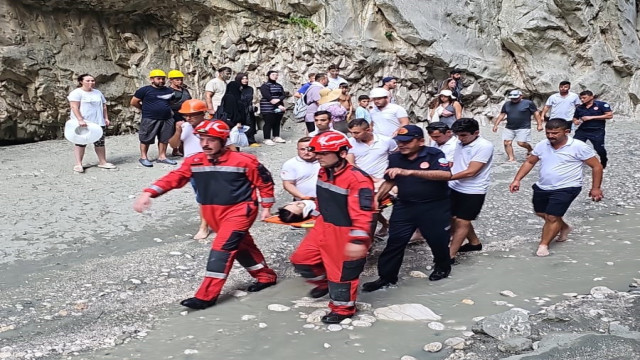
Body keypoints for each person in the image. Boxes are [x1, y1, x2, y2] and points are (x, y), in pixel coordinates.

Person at [134, 120, 278, 309]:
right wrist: (149, 192)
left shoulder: (244, 161)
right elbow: (175, 178)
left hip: (240, 211)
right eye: (202, 139)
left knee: (222, 249)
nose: (205, 144)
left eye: (211, 140)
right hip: (213, 213)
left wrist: (266, 206)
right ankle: (265, 276)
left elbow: (264, 181)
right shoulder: (195, 161)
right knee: (242, 246)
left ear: (224, 140)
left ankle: (206, 296)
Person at [290, 131, 375, 324]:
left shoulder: (358, 179)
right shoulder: (324, 170)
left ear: (342, 153)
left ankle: (343, 309)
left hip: (346, 230)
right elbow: (324, 200)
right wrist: (306, 209)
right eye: (316, 153)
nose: (316, 157)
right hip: (324, 224)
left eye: (322, 153)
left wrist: (358, 240)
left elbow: (364, 213)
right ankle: (324, 283)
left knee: (342, 273)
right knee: (302, 260)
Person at [362, 125, 453, 292]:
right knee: (395, 242)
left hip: (434, 206)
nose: (402, 145)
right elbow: (390, 180)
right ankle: (387, 277)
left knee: (437, 240)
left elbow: (446, 175)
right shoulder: (395, 157)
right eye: (399, 141)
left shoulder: (434, 154)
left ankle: (442, 267)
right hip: (405, 206)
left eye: (407, 141)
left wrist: (410, 172)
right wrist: (377, 198)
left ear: (420, 141)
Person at [509, 118, 604, 256]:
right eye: (548, 133)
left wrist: (596, 187)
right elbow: (530, 162)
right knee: (541, 213)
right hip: (543, 186)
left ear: (566, 132)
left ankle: (543, 245)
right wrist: (517, 179)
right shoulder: (543, 145)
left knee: (552, 217)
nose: (550, 136)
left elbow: (597, 166)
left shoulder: (579, 146)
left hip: (568, 186)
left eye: (555, 133)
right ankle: (564, 227)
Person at [448, 118, 494, 261]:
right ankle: (475, 243)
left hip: (473, 190)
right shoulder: (460, 142)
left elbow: (471, 171)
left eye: (463, 135)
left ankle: (450, 256)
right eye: (457, 135)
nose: (460, 139)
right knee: (456, 219)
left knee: (462, 221)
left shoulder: (484, 146)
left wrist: (445, 178)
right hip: (455, 185)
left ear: (476, 133)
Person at [347, 118, 398, 237]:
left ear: (368, 130)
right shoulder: (350, 143)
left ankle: (369, 241)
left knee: (374, 209)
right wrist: (369, 177)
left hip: (383, 182)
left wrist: (391, 174)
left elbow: (396, 157)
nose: (353, 136)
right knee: (369, 208)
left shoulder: (386, 141)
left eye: (356, 132)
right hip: (361, 181)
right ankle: (383, 226)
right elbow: (351, 164)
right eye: (351, 132)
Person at [167, 99, 210, 240]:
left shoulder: (211, 126)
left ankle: (204, 227)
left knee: (205, 198)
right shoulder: (185, 126)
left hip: (209, 165)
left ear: (202, 113)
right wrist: (178, 130)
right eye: (186, 115)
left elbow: (229, 145)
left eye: (193, 115)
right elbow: (173, 144)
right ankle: (209, 223)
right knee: (201, 197)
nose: (188, 118)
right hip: (192, 167)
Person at [68, 74, 116, 173]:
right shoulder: (76, 93)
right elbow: (74, 107)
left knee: (100, 142)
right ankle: (78, 164)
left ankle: (102, 161)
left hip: (98, 121)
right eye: (88, 81)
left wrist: (105, 118)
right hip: (84, 122)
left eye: (92, 81)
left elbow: (104, 106)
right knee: (81, 142)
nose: (91, 83)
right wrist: (80, 119)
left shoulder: (98, 93)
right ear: (81, 81)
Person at [130, 69, 178, 167]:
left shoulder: (169, 91)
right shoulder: (144, 90)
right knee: (146, 137)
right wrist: (144, 109)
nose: (161, 81)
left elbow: (171, 102)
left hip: (167, 118)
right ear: (152, 79)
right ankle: (143, 157)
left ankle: (162, 156)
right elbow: (134, 102)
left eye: (163, 79)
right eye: (158, 79)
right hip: (150, 118)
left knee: (164, 138)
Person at [492, 90, 543, 162]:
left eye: (516, 98)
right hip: (509, 127)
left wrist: (539, 124)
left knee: (521, 143)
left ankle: (530, 149)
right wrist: (496, 125)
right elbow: (502, 114)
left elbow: (536, 113)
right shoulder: (507, 104)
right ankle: (511, 158)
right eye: (512, 98)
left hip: (524, 126)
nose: (514, 99)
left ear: (521, 96)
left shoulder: (528, 103)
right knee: (507, 142)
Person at [572, 90, 613, 168]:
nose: (582, 100)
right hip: (582, 130)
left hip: (597, 130)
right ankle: (574, 162)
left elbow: (609, 115)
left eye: (584, 98)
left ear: (591, 97)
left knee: (599, 149)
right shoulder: (580, 107)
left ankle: (603, 160)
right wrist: (576, 121)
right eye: (581, 98)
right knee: (574, 145)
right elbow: (575, 118)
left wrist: (591, 117)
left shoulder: (601, 105)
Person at [168, 69, 192, 156]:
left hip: (186, 113)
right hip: (174, 113)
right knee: (176, 131)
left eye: (181, 79)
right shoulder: (168, 91)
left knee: (187, 129)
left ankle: (183, 148)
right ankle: (175, 149)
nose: (180, 81)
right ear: (171, 80)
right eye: (177, 79)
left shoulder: (185, 90)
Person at [259, 70, 286, 145]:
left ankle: (276, 136)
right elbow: (268, 97)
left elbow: (283, 95)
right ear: (268, 76)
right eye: (273, 74)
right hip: (268, 107)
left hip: (278, 107)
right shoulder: (265, 86)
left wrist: (279, 99)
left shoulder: (279, 86)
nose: (275, 76)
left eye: (276, 75)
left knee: (277, 122)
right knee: (268, 122)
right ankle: (266, 138)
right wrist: (279, 105)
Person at [236, 73, 259, 146]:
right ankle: (240, 141)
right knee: (240, 124)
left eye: (246, 78)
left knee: (251, 124)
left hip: (248, 108)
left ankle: (251, 140)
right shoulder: (235, 88)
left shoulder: (250, 89)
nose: (245, 80)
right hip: (238, 108)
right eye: (243, 79)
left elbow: (252, 99)